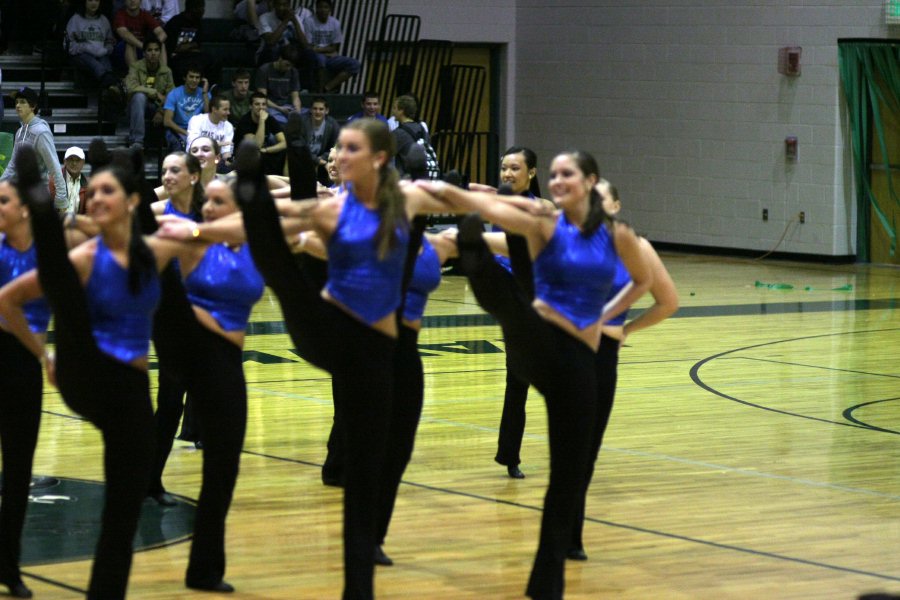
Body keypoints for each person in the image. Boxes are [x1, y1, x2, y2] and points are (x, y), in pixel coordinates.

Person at [162, 122, 453, 599]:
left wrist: (514, 204)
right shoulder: (197, 237)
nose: (341, 154)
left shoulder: (419, 230)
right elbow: (291, 220)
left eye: (351, 148)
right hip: (212, 342)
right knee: (289, 277)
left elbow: (484, 214)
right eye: (338, 148)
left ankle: (358, 556)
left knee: (382, 452)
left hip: (375, 349)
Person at [415, 149, 653, 600]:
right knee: (511, 300)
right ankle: (474, 258)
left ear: (590, 181)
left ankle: (545, 584)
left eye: (568, 174)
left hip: (582, 362)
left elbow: (642, 282)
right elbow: (495, 204)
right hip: (539, 340)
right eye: (555, 174)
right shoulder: (545, 219)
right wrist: (451, 197)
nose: (559, 180)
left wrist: (605, 317)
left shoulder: (619, 237)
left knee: (567, 477)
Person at [0, 144, 185, 600]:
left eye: (108, 191)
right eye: (93, 192)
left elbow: (200, 235)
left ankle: (19, 567)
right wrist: (45, 354)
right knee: (68, 291)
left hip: (121, 386)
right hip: (78, 369)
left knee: (114, 513)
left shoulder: (146, 249)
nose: (95, 198)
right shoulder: (75, 253)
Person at [152, 176, 264, 592]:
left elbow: (292, 214)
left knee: (223, 470)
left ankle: (204, 568)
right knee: (170, 415)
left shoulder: (251, 240)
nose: (210, 207)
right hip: (192, 351)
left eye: (220, 201)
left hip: (228, 364)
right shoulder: (190, 238)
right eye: (208, 200)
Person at [567, 179, 678, 562]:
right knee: (568, 445)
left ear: (615, 205)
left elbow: (668, 301)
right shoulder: (565, 241)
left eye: (600, 199)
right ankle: (564, 531)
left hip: (604, 355)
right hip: (566, 352)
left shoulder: (636, 247)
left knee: (587, 449)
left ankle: (570, 533)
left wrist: (626, 329)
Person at [482, 146, 551, 479]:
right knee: (517, 377)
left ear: (532, 173)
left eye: (514, 168)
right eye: (504, 168)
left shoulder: (546, 209)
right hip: (511, 297)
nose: (507, 173)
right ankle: (510, 455)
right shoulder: (495, 205)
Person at [0, 178, 51, 599]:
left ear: (24, 210)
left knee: (18, 474)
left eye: (3, 200)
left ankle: (9, 565)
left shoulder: (49, 253)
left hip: (24, 369)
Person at [0, 88, 67, 214]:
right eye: (17, 102)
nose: (18, 105)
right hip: (21, 197)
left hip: (38, 197)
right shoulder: (20, 131)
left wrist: (61, 199)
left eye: (22, 102)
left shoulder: (41, 132)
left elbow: (54, 166)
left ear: (33, 106)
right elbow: (12, 165)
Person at [124, 38, 174, 149]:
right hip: (135, 107)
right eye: (149, 50)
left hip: (157, 107)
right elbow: (131, 87)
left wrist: (161, 112)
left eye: (156, 50)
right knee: (139, 96)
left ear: (160, 53)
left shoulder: (166, 71)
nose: (153, 53)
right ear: (144, 53)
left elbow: (171, 96)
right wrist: (155, 92)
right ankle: (137, 141)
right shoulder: (135, 67)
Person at [65, 0, 121, 99]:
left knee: (104, 59)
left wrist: (106, 49)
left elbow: (110, 42)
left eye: (97, 0)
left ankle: (108, 86)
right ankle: (109, 80)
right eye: (90, 0)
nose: (94, 3)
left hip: (101, 54)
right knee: (89, 59)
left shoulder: (104, 20)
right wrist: (85, 48)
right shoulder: (75, 19)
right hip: (82, 55)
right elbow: (68, 45)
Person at [303, 0, 360, 93]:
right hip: (314, 55)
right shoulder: (309, 22)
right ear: (316, 9)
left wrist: (319, 49)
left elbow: (334, 47)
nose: (323, 10)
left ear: (330, 9)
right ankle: (319, 91)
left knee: (354, 64)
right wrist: (326, 51)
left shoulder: (335, 23)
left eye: (326, 7)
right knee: (320, 60)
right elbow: (309, 46)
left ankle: (327, 88)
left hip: (330, 56)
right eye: (320, 7)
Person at [164, 0, 216, 84]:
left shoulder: (198, 22)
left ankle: (210, 88)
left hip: (191, 55)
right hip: (176, 57)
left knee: (211, 61)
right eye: (200, 7)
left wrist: (185, 47)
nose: (203, 11)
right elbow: (172, 48)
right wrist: (189, 47)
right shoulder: (175, 22)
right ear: (192, 9)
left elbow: (197, 44)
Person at [235, 91, 286, 176]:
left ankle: (287, 183)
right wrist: (262, 121)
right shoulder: (245, 121)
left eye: (263, 104)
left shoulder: (269, 119)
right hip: (244, 155)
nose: (261, 107)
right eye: (257, 104)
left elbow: (284, 143)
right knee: (257, 154)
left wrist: (267, 150)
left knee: (287, 152)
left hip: (264, 152)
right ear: (250, 106)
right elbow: (256, 146)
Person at [162, 66, 209, 151]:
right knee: (182, 145)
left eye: (197, 77)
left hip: (198, 130)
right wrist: (187, 133)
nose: (194, 80)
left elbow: (209, 115)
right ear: (185, 78)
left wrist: (205, 93)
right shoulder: (174, 94)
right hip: (177, 130)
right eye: (191, 77)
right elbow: (167, 121)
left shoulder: (205, 94)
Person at [113, 0, 167, 69]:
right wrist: (143, 46)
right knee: (130, 43)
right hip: (122, 51)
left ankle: (163, 74)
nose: (132, 1)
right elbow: (124, 33)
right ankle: (135, 76)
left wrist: (153, 45)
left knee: (161, 44)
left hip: (142, 49)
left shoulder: (145, 14)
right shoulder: (120, 14)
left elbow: (162, 33)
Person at [256, 45, 303, 124]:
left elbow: (295, 96)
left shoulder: (293, 72)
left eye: (291, 66)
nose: (288, 68)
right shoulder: (264, 70)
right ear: (280, 58)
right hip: (270, 107)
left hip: (287, 106)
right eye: (287, 65)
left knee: (307, 116)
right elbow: (262, 98)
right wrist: (279, 108)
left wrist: (297, 110)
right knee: (278, 119)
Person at [186, 96, 234, 169]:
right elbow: (194, 144)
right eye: (225, 110)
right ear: (214, 109)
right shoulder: (197, 120)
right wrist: (218, 144)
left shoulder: (228, 126)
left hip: (216, 163)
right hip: (195, 160)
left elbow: (226, 152)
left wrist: (229, 160)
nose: (228, 113)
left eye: (228, 109)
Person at [299, 96, 339, 181]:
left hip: (323, 158)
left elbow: (334, 147)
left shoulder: (333, 125)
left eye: (321, 109)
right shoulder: (302, 122)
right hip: (304, 157)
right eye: (315, 109)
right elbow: (300, 147)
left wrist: (321, 159)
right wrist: (316, 160)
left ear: (326, 111)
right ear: (310, 110)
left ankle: (333, 189)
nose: (317, 112)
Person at [48, 146, 89, 216]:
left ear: (83, 163)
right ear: (65, 161)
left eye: (78, 160)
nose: (74, 163)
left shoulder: (88, 185)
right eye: (71, 159)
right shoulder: (53, 181)